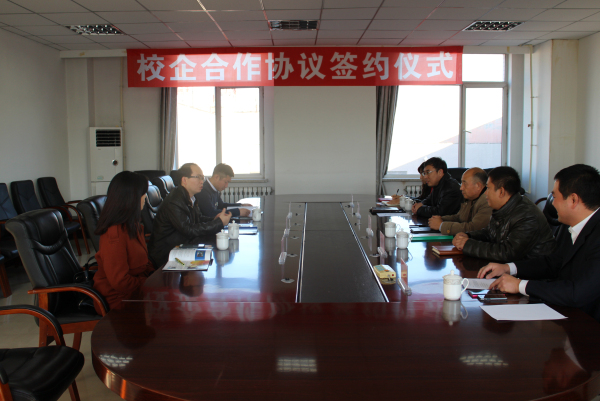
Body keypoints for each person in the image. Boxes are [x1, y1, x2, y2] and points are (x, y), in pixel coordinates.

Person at [478, 164, 600, 322]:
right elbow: (553, 263)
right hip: (567, 313)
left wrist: (521, 285)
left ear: (573, 200)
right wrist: (509, 268)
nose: (552, 203)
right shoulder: (570, 225)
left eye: (554, 197)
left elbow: (577, 293)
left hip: (589, 325)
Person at [453, 166, 555, 262]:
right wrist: (468, 236)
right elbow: (490, 233)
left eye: (488, 188)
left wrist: (468, 245)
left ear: (501, 192)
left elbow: (507, 253)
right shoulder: (503, 208)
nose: (485, 193)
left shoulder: (527, 216)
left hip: (529, 272)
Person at [93, 171, 155, 312]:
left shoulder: (132, 225)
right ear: (131, 198)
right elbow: (120, 281)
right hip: (120, 299)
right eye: (143, 193)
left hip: (136, 290)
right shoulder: (114, 234)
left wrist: (156, 275)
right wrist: (151, 284)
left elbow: (143, 262)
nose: (145, 197)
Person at [149, 163, 231, 268]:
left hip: (180, 246)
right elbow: (189, 230)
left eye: (202, 177)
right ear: (184, 180)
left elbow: (198, 218)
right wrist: (219, 222)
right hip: (167, 254)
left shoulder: (190, 197)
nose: (202, 181)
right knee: (214, 255)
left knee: (218, 246)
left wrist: (215, 219)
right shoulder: (175, 201)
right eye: (198, 177)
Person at [428, 168, 493, 235]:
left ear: (478, 186)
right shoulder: (471, 198)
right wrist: (441, 219)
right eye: (461, 183)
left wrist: (441, 226)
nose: (461, 188)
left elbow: (473, 228)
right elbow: (459, 217)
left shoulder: (487, 201)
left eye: (465, 184)